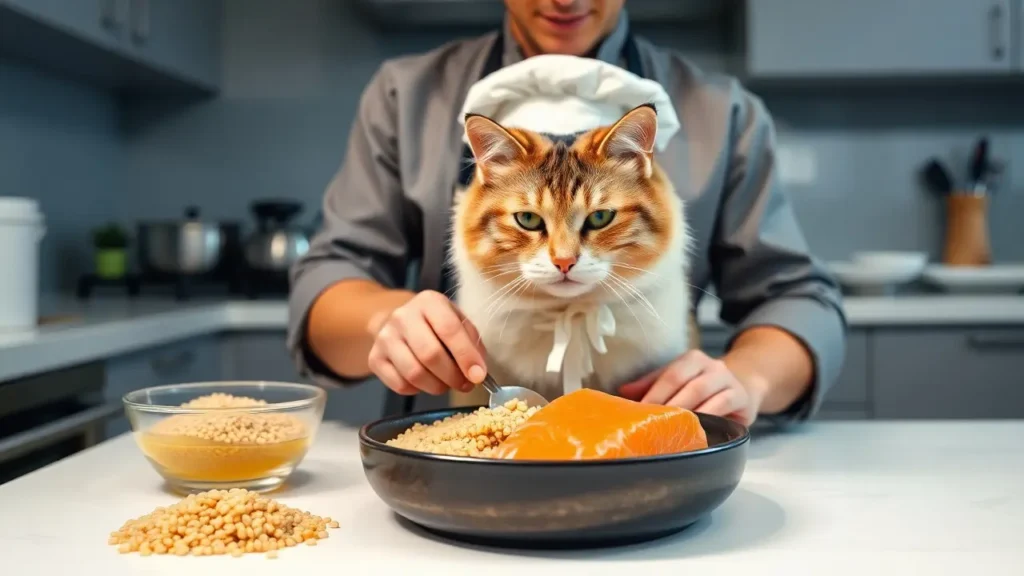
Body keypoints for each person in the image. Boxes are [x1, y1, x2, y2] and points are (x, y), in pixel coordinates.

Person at [287, 0, 847, 427]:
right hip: (455, 456)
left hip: (648, 459)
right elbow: (326, 281)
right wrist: (387, 321)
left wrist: (747, 379)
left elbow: (800, 299)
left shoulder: (726, 114)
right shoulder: (403, 97)